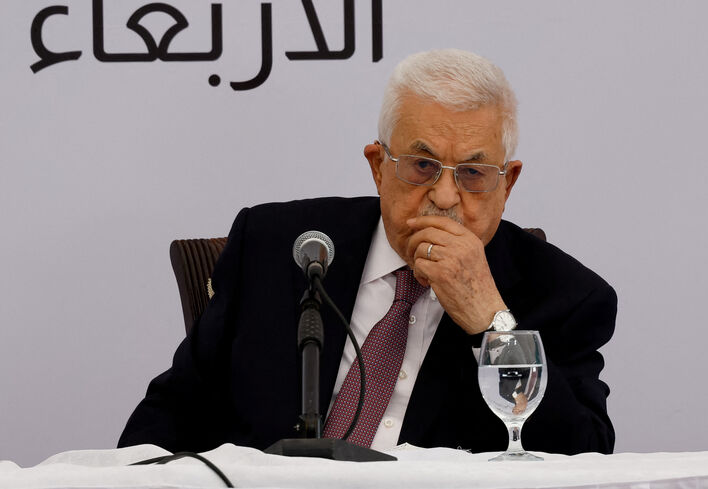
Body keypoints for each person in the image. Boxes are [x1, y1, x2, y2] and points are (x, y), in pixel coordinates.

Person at [119, 49, 617, 455]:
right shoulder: (277, 247)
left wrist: (492, 324)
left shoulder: (563, 294)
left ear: (507, 183)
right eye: (422, 165)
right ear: (378, 167)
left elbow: (583, 459)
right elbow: (166, 421)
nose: (445, 197)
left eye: (473, 173)